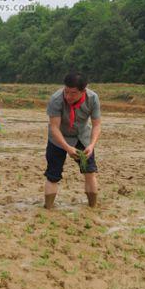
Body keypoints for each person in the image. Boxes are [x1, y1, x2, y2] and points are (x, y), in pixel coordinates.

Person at [44, 72, 101, 209]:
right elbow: (54, 128)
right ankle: (48, 208)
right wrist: (67, 148)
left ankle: (92, 207)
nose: (68, 96)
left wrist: (92, 145)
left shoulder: (92, 98)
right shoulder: (56, 99)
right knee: (53, 175)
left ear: (84, 90)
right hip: (58, 139)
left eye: (73, 93)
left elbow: (97, 125)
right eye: (66, 91)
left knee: (89, 171)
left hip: (82, 137)